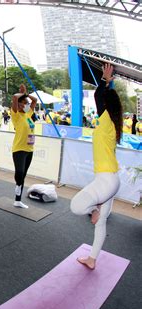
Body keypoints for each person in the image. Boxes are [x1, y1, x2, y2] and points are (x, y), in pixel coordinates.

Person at [70, 64, 123, 270]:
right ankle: (92, 259)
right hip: (110, 180)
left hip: (106, 181)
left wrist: (104, 80)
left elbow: (98, 95)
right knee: (101, 224)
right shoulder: (111, 125)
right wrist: (108, 85)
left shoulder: (107, 121)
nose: (98, 108)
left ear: (106, 107)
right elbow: (103, 96)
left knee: (77, 206)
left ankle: (95, 209)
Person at [11, 84, 38, 209]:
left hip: (29, 149)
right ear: (20, 105)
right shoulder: (16, 115)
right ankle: (18, 185)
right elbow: (15, 97)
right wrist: (22, 95)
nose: (27, 105)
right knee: (20, 172)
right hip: (19, 149)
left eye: (27, 103)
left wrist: (26, 94)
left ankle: (17, 200)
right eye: (24, 103)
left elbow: (35, 100)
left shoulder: (28, 115)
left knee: (24, 174)